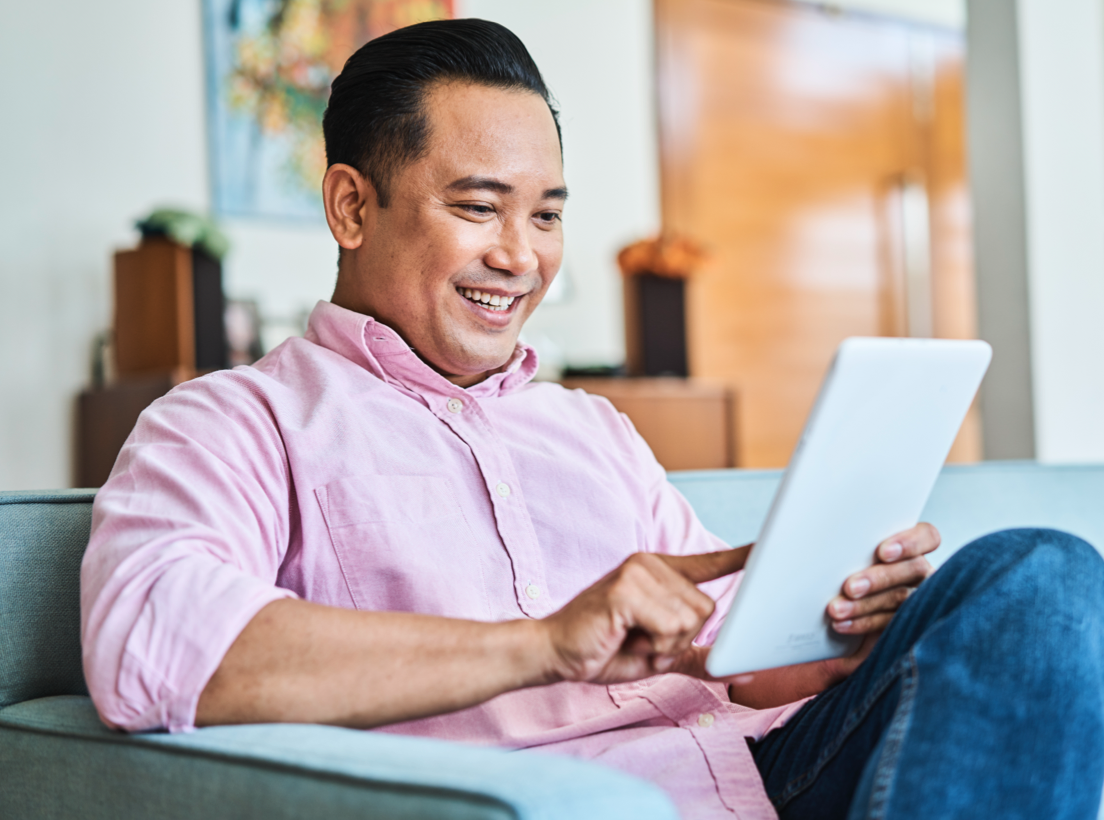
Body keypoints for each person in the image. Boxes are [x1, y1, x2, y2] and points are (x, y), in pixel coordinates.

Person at [81, 18, 1104, 820]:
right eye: (478, 208)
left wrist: (842, 629)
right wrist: (542, 643)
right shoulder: (232, 422)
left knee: (1040, 580)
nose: (521, 256)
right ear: (352, 207)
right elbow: (154, 648)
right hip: (560, 800)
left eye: (548, 214)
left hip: (767, 773)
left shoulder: (588, 430)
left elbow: (735, 662)